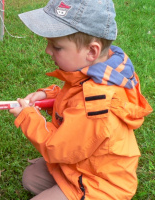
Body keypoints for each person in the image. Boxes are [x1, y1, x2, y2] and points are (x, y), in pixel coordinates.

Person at [9, 0, 153, 199]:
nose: (48, 51)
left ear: (92, 51)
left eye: (57, 47)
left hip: (101, 184)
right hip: (82, 164)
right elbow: (74, 96)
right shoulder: (97, 71)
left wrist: (28, 117)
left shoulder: (96, 103)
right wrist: (49, 96)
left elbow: (56, 148)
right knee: (31, 177)